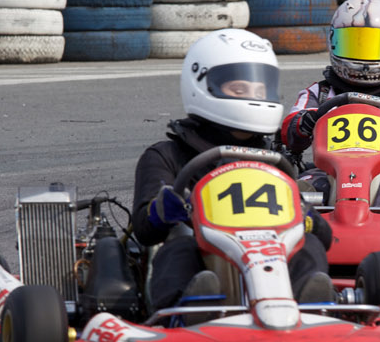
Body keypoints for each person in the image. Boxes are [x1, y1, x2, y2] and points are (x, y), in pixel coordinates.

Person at [132, 28, 334, 315]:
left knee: (308, 244)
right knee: (181, 244)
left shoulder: (272, 161)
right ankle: (188, 313)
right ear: (202, 84)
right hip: (206, 261)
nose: (252, 96)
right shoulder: (168, 155)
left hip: (268, 258)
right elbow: (143, 230)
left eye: (260, 90)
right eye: (239, 89)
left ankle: (311, 309)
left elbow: (326, 237)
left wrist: (308, 218)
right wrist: (161, 210)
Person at [280, 0, 380, 203]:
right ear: (334, 42)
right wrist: (304, 124)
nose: (364, 59)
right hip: (331, 171)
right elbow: (288, 132)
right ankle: (308, 214)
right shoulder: (320, 94)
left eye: (375, 46)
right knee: (305, 184)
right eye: (353, 45)